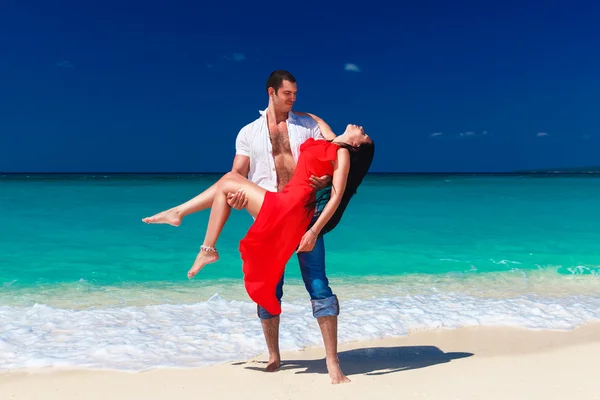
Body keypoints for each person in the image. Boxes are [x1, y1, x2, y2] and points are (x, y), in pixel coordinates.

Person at [142, 70, 374, 384]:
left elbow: (336, 163)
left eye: (296, 94)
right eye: (288, 93)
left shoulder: (307, 129)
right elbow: (239, 172)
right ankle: (274, 356)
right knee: (268, 288)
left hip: (302, 216)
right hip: (269, 212)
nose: (293, 99)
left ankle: (333, 363)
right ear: (271, 92)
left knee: (318, 286)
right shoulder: (248, 133)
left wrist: (324, 187)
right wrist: (237, 198)